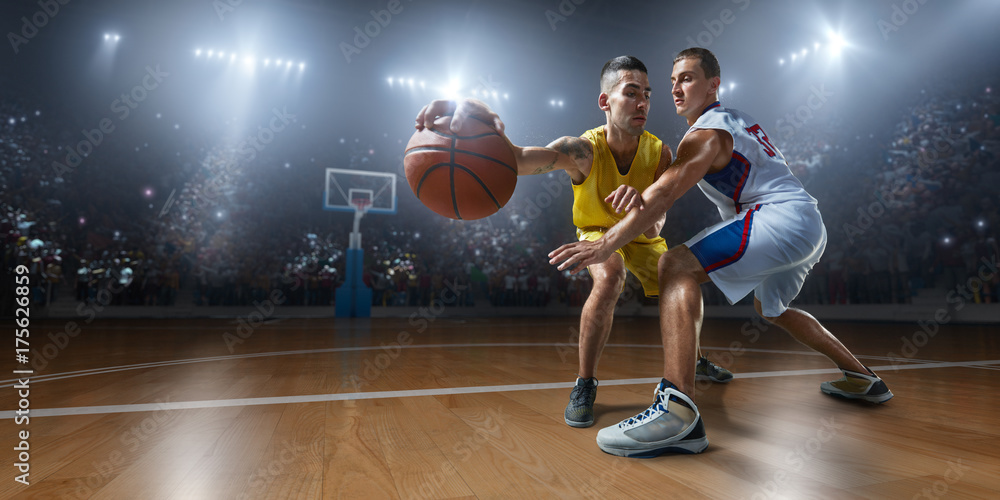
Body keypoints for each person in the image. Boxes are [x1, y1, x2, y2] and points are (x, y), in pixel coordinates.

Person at [548, 48, 892, 458]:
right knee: (774, 310)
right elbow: (661, 195)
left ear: (713, 85)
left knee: (674, 265)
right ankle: (863, 378)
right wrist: (642, 198)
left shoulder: (706, 133)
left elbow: (665, 195)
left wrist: (606, 243)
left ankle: (677, 414)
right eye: (673, 80)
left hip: (778, 218)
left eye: (688, 78)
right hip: (806, 223)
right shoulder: (735, 119)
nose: (676, 87)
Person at [415, 55, 733, 431]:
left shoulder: (660, 152)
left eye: (647, 94)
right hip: (596, 233)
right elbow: (516, 160)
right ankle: (585, 383)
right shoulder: (581, 150)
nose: (643, 102)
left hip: (639, 232)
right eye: (631, 93)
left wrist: (641, 207)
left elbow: (655, 225)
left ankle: (693, 358)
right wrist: (479, 113)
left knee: (678, 277)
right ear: (605, 102)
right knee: (611, 275)